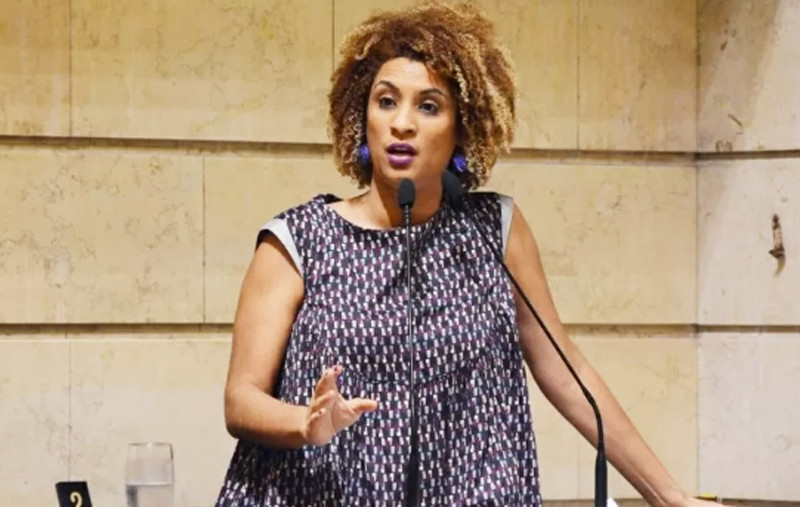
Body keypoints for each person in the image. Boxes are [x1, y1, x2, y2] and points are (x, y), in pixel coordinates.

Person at [216, 3, 718, 506]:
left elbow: (567, 373)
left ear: (462, 127)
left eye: (428, 106)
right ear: (360, 116)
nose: (402, 124)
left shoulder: (494, 231)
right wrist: (306, 423)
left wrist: (670, 497)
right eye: (386, 101)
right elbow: (241, 400)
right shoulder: (298, 241)